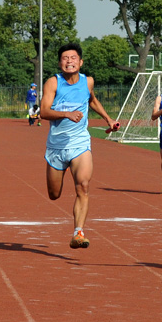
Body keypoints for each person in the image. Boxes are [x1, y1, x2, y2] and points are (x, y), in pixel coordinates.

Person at [40, 43, 117, 249]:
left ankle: (79, 232)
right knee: (54, 194)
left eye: (73, 58)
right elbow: (44, 112)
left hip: (80, 143)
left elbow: (92, 100)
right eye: (65, 58)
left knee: (83, 185)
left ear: (80, 62)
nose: (69, 61)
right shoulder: (53, 83)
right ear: (59, 63)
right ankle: (77, 228)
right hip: (56, 146)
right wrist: (66, 114)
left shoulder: (87, 81)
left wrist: (108, 119)